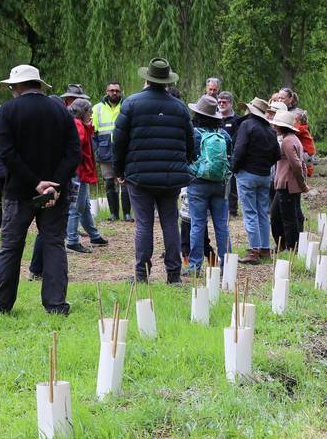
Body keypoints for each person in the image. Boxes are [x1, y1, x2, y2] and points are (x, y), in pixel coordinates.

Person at [0, 64, 80, 316]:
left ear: (18, 86)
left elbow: (7, 154)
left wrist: (36, 183)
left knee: (11, 247)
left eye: (11, 87)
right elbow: (73, 153)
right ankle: (56, 304)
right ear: (38, 84)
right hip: (55, 194)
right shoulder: (61, 111)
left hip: (19, 191)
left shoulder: (8, 110)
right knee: (54, 244)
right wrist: (54, 184)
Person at [113, 57, 194, 284]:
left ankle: (142, 273)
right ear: (167, 81)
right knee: (170, 223)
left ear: (147, 79)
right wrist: (184, 163)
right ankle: (174, 275)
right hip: (171, 176)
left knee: (143, 224)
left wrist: (119, 170)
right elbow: (190, 142)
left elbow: (119, 141)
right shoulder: (179, 107)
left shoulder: (131, 103)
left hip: (139, 175)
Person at [184, 95, 232, 275]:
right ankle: (227, 265)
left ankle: (195, 267)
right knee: (222, 226)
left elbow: (186, 157)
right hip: (220, 185)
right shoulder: (224, 135)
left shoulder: (194, 134)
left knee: (197, 225)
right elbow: (230, 158)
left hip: (197, 184)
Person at [232, 97, 280, 265]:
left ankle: (254, 251)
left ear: (251, 110)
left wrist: (233, 168)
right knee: (262, 213)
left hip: (247, 174)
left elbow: (239, 150)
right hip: (264, 176)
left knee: (250, 213)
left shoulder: (247, 125)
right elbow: (277, 155)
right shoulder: (270, 130)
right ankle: (265, 248)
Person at [65, 98, 108, 253]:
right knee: (77, 207)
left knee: (84, 206)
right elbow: (77, 147)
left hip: (80, 171)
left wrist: (88, 126)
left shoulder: (78, 124)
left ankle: (94, 235)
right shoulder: (77, 125)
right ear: (83, 112)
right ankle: (72, 241)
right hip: (78, 172)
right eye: (89, 112)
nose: (91, 114)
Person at [93, 82, 132, 221]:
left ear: (121, 92)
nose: (114, 93)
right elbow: (93, 133)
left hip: (124, 151)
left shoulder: (127, 106)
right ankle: (113, 214)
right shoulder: (97, 108)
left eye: (117, 91)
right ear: (106, 91)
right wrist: (97, 149)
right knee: (109, 183)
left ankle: (127, 213)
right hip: (105, 151)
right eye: (111, 90)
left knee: (125, 182)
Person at [270, 110, 307, 252]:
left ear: (281, 126)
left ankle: (291, 247)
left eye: (276, 125)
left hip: (287, 184)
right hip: (286, 183)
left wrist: (302, 183)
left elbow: (296, 164)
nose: (274, 127)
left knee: (288, 218)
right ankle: (283, 244)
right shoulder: (293, 139)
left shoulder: (287, 141)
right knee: (277, 215)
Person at [217, 90, 239, 217]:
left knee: (232, 184)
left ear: (230, 103)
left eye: (224, 102)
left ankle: (232, 209)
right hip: (216, 155)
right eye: (219, 102)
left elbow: (238, 137)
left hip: (231, 155)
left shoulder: (237, 119)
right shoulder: (214, 117)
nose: (221, 104)